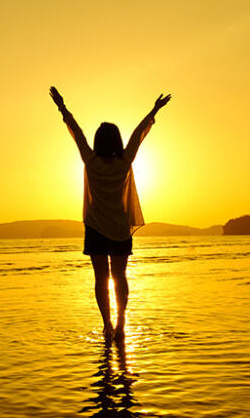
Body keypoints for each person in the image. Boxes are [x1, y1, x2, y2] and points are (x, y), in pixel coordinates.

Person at [49, 86, 171, 340]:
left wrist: (61, 106)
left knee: (101, 278)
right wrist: (154, 110)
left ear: (98, 142)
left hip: (95, 228)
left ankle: (106, 324)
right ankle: (121, 322)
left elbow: (77, 133)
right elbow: (139, 135)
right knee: (119, 276)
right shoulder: (124, 163)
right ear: (116, 141)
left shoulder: (90, 161)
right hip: (118, 228)